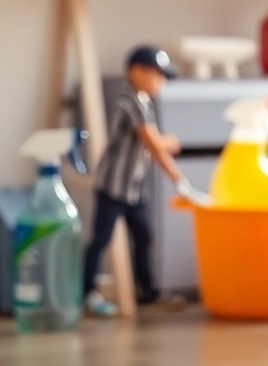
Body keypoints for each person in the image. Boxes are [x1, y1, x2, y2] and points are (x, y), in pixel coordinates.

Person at [82, 44, 203, 317]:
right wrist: (175, 166)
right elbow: (152, 142)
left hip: (133, 189)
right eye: (156, 75)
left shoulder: (145, 102)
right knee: (101, 238)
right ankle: (87, 291)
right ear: (136, 72)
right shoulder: (130, 101)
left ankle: (147, 290)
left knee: (144, 236)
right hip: (113, 185)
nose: (159, 82)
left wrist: (164, 148)